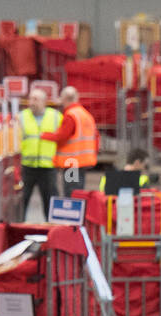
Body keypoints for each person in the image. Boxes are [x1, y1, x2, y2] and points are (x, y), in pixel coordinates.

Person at [43, 86, 99, 194]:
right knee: (78, 192)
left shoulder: (71, 115)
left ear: (65, 99)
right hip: (83, 160)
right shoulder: (85, 114)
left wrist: (43, 135)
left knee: (71, 193)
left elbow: (61, 136)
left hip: (71, 162)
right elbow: (96, 137)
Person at [18, 89, 63, 219]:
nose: (31, 102)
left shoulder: (56, 117)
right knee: (22, 200)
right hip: (27, 166)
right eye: (30, 99)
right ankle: (18, 228)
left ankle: (51, 230)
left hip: (48, 167)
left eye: (35, 99)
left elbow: (63, 139)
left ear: (44, 101)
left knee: (50, 200)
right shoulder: (21, 116)